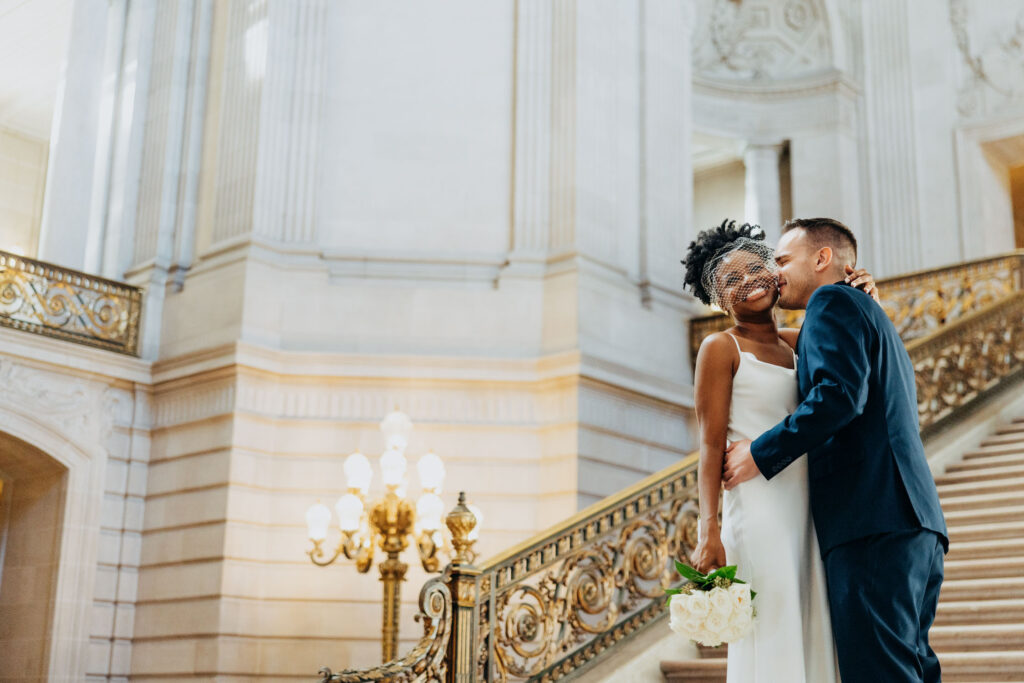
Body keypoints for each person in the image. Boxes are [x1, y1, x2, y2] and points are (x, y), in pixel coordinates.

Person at [722, 217, 948, 683]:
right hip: (914, 524)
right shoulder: (866, 312)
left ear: (823, 258)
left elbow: (839, 396)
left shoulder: (828, 301)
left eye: (783, 259)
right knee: (910, 671)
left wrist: (760, 454)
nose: (775, 272)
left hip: (870, 524)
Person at [683, 219, 878, 683]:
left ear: (773, 272)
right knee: (773, 623)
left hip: (810, 502)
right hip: (759, 505)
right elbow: (710, 446)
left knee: (812, 618)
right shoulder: (720, 348)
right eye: (731, 280)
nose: (748, 282)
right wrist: (709, 529)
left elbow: (848, 379)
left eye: (755, 269)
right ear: (718, 298)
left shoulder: (799, 341)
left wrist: (865, 298)